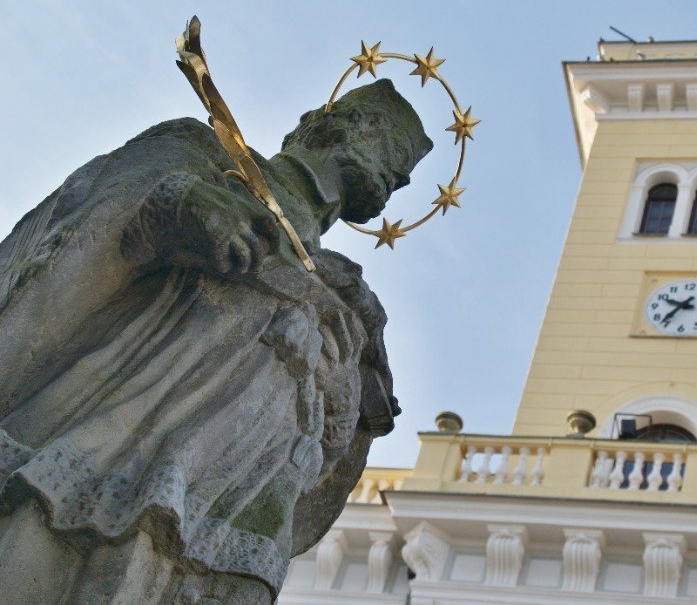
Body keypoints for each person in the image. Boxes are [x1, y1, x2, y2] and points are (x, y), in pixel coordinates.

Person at [0, 78, 431, 603]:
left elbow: (334, 442)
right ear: (325, 123)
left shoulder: (345, 286)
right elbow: (102, 220)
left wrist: (344, 371)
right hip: (138, 424)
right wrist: (184, 206)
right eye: (384, 135)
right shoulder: (208, 156)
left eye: (404, 173)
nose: (400, 176)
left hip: (242, 489)